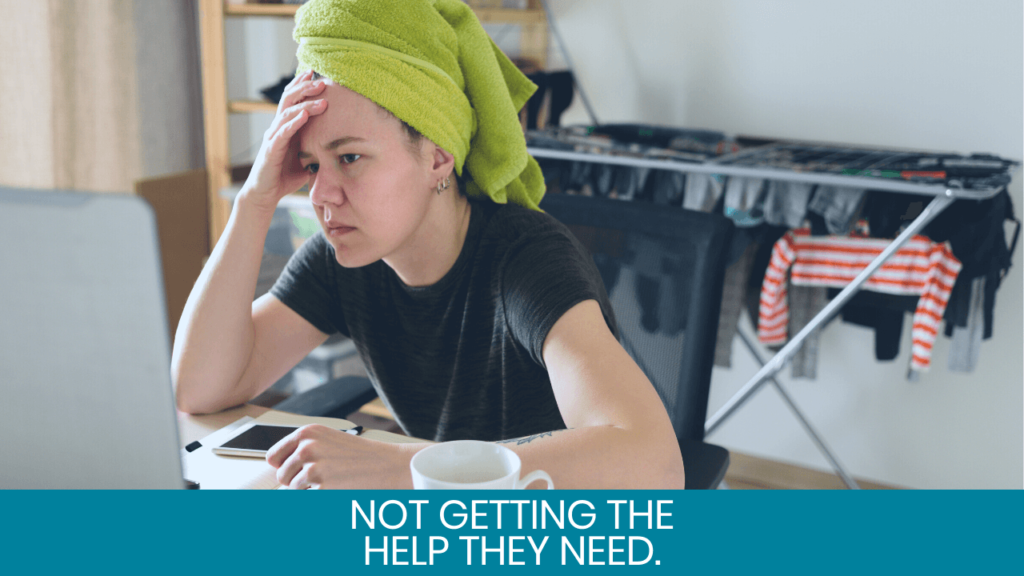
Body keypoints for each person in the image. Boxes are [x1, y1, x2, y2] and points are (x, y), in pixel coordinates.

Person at [172, 0, 685, 489]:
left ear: (438, 158)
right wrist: (254, 202)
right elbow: (200, 388)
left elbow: (655, 465)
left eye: (348, 158)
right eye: (310, 166)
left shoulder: (526, 260)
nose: (321, 196)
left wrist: (402, 467)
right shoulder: (344, 260)